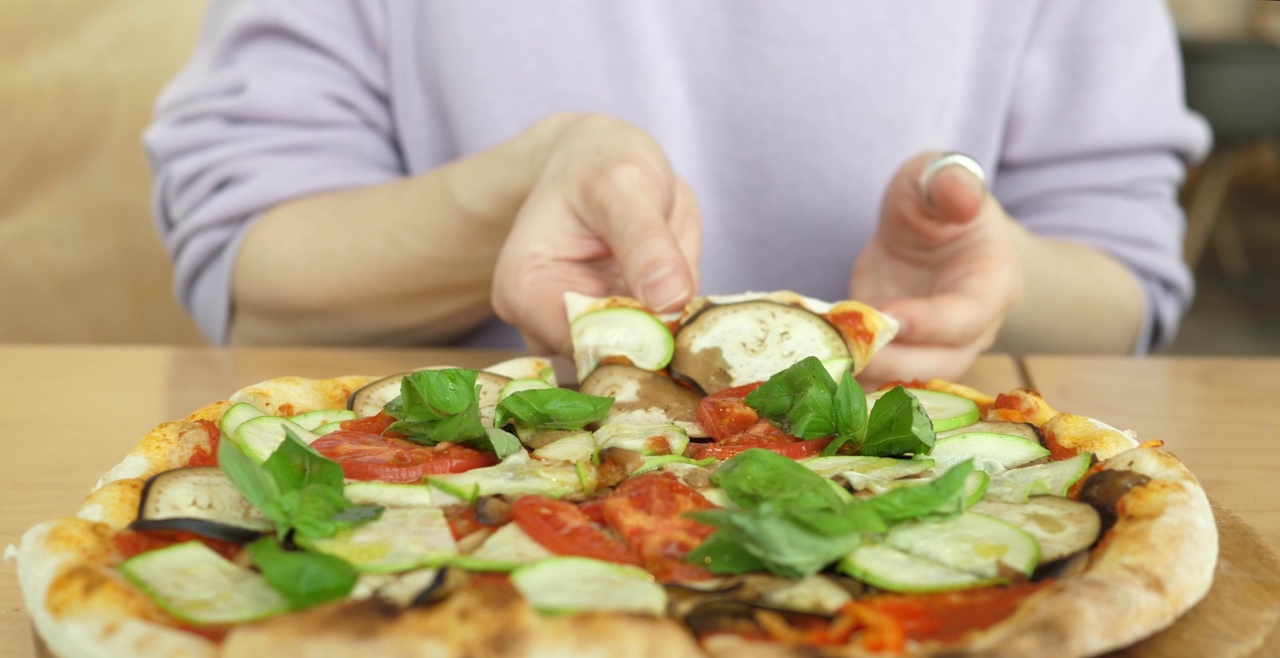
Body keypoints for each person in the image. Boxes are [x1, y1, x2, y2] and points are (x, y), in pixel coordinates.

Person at [145, 0, 1209, 383]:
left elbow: (1124, 294)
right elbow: (249, 272)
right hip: (461, 550)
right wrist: (519, 185)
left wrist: (990, 276)